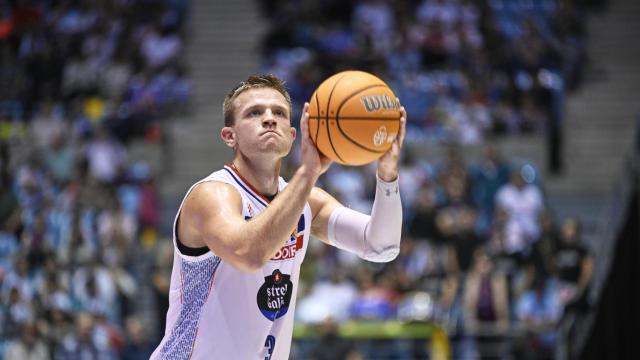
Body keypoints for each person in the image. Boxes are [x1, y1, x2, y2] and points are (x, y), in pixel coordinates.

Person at [151, 74, 406, 359]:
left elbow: (382, 246)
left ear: (294, 134)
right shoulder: (212, 195)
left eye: (279, 113)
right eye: (254, 113)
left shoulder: (306, 201)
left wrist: (388, 175)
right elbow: (248, 253)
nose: (269, 118)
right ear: (229, 136)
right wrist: (307, 174)